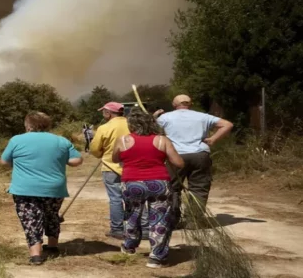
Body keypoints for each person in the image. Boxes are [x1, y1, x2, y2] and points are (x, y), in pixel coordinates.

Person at [0, 111, 83, 265]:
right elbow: (77, 160)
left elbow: (4, 161)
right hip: (54, 188)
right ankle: (52, 246)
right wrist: (63, 161)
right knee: (52, 215)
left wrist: (18, 164)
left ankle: (36, 255)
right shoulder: (61, 141)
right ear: (47, 125)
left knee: (30, 218)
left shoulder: (16, 140)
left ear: (28, 125)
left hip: (25, 188)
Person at [112, 109, 185, 269]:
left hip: (132, 183)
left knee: (132, 214)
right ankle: (156, 257)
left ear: (131, 125)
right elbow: (179, 163)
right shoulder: (162, 140)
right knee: (159, 218)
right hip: (159, 183)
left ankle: (129, 246)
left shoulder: (123, 140)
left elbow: (115, 158)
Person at [154, 95, 233, 226]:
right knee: (199, 187)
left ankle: (173, 220)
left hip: (176, 155)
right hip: (200, 155)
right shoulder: (202, 116)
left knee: (172, 187)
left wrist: (154, 116)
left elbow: (150, 128)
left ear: (174, 104)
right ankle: (194, 221)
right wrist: (213, 139)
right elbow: (227, 124)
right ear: (190, 104)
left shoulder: (165, 117)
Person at [89, 102, 130, 240]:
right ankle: (140, 227)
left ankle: (117, 229)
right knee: (133, 197)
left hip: (110, 166)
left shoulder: (104, 127)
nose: (103, 114)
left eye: (103, 112)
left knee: (115, 198)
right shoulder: (132, 124)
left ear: (108, 113)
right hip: (131, 166)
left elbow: (95, 149)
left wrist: (100, 153)